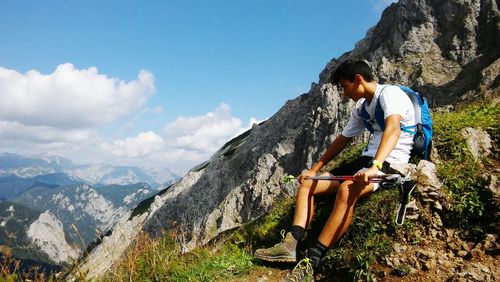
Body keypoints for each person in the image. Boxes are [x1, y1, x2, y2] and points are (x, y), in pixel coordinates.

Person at [254, 59, 416, 282]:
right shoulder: (362, 106)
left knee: (347, 190)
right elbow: (342, 140)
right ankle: (290, 244)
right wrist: (315, 169)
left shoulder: (390, 94)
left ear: (358, 79)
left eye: (344, 86)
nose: (344, 94)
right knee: (309, 183)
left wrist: (375, 166)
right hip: (366, 160)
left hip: (390, 162)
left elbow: (393, 130)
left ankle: (312, 259)